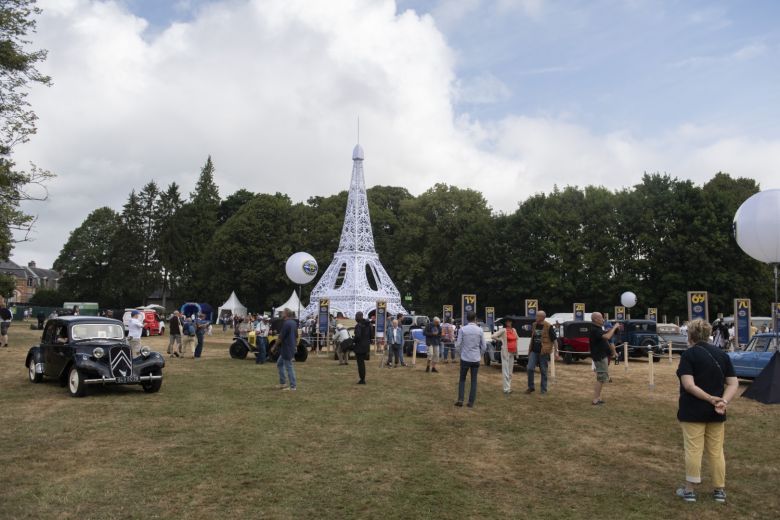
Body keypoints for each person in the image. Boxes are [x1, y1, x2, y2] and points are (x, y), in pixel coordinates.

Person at [675, 319, 739, 503]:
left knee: (693, 450)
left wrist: (711, 398)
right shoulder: (722, 355)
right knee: (716, 451)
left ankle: (689, 491)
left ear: (690, 335)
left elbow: (688, 385)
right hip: (716, 412)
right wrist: (723, 401)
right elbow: (733, 383)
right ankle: (719, 490)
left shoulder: (689, 355)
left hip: (693, 410)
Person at [454, 311, 486, 408]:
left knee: (462, 379)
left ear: (467, 319)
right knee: (474, 380)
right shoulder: (480, 330)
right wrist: (480, 355)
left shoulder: (462, 329)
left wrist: (460, 354)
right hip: (475, 358)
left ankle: (460, 399)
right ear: (475, 318)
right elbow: (484, 346)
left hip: (465, 358)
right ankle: (471, 402)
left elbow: (458, 345)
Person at [589, 312, 619, 405]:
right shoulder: (594, 329)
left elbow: (606, 338)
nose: (603, 320)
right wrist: (614, 327)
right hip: (600, 356)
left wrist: (612, 330)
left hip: (602, 355)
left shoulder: (598, 329)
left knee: (602, 378)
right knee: (601, 378)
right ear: (595, 319)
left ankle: (598, 398)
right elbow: (607, 337)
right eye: (601, 318)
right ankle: (595, 400)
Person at [526, 311, 557, 395]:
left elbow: (554, 340)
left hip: (543, 352)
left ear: (542, 317)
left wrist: (556, 352)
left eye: (537, 316)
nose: (536, 317)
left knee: (543, 371)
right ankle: (531, 387)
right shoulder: (534, 325)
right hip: (533, 351)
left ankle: (543, 390)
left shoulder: (548, 326)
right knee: (530, 368)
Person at [492, 316, 519, 394]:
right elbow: (493, 336)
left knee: (510, 371)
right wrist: (501, 340)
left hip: (513, 352)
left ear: (512, 322)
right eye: (507, 321)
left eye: (510, 321)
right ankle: (506, 389)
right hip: (505, 352)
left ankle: (508, 387)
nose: (508, 322)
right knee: (506, 371)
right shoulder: (503, 330)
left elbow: (517, 338)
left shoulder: (514, 330)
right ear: (505, 323)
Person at [276, 308, 298, 390]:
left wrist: (274, 346)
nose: (282, 314)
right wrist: (295, 346)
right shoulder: (294, 323)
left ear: (286, 314)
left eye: (283, 313)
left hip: (287, 348)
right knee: (279, 364)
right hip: (289, 347)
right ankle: (283, 383)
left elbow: (281, 337)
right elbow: (296, 335)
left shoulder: (286, 323)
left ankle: (293, 386)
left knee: (289, 367)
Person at [353, 312, 372, 384]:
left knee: (360, 363)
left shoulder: (358, 325)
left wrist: (353, 340)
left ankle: (362, 379)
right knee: (362, 363)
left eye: (356, 316)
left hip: (359, 346)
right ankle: (362, 378)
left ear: (358, 317)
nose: (355, 318)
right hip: (366, 346)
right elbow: (371, 335)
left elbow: (358, 336)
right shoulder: (369, 324)